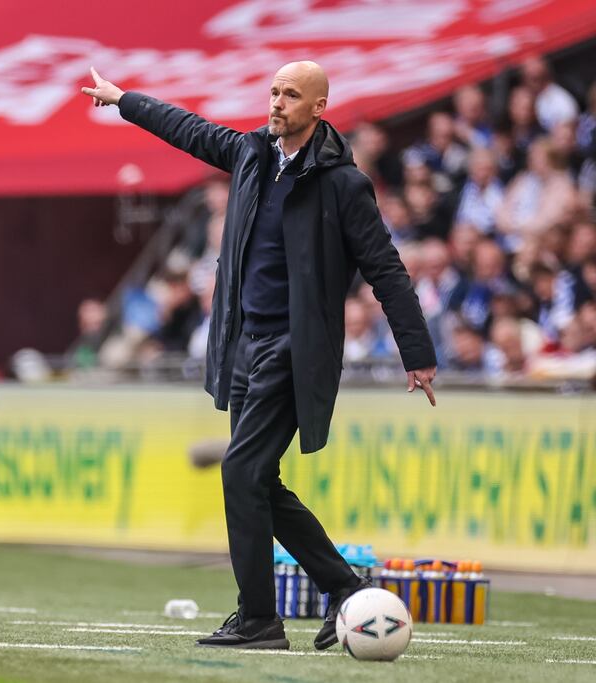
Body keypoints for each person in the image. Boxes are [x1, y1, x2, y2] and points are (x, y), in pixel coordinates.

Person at [82, 62, 437, 650]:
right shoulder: (250, 153)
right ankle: (345, 588)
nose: (276, 103)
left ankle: (258, 619)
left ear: (318, 108)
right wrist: (124, 100)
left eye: (291, 95)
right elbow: (188, 128)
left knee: (240, 471)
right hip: (243, 345)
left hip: (295, 349)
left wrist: (416, 352)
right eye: (273, 91)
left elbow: (385, 269)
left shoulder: (344, 185)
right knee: (260, 481)